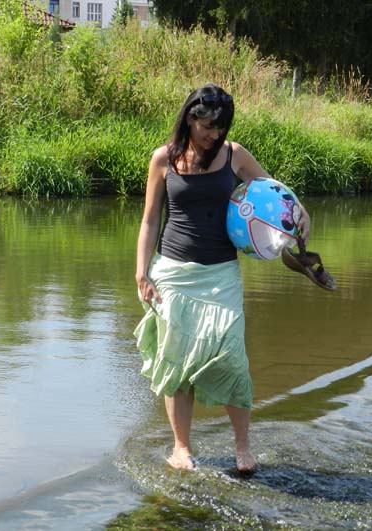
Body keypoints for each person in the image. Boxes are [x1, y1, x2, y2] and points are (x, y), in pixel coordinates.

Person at [133, 83, 311, 473]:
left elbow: (277, 195)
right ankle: (181, 447)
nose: (215, 135)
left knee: (232, 359)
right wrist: (141, 272)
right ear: (190, 118)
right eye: (208, 127)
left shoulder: (235, 156)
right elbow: (149, 220)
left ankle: (243, 447)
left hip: (221, 274)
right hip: (174, 274)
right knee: (176, 362)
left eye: (221, 128)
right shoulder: (163, 159)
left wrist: (300, 215)